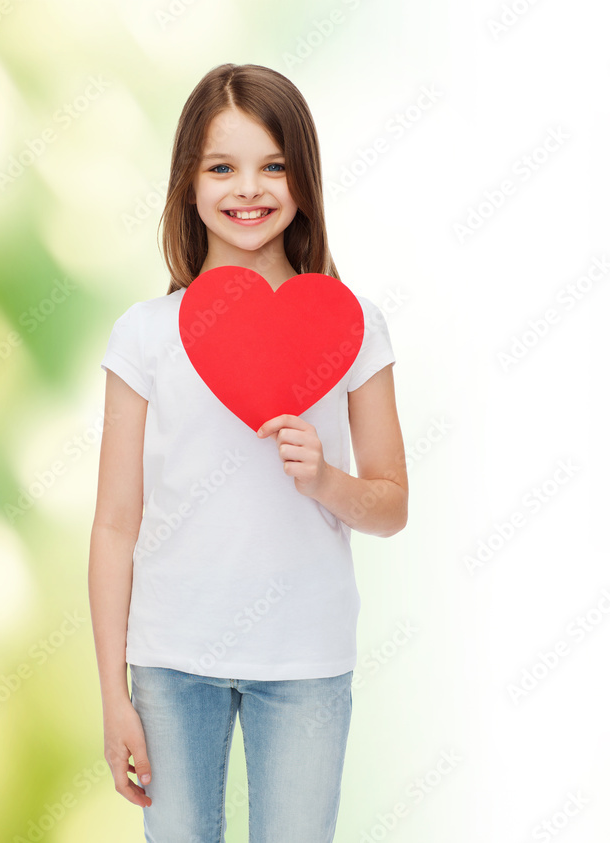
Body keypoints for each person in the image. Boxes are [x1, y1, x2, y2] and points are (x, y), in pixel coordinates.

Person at [88, 63, 408, 842]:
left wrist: (326, 478)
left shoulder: (352, 323)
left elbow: (393, 503)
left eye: (273, 164)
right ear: (187, 184)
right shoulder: (145, 333)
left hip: (304, 658)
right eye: (221, 167)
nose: (249, 188)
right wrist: (112, 693)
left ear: (304, 177)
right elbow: (114, 523)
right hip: (171, 658)